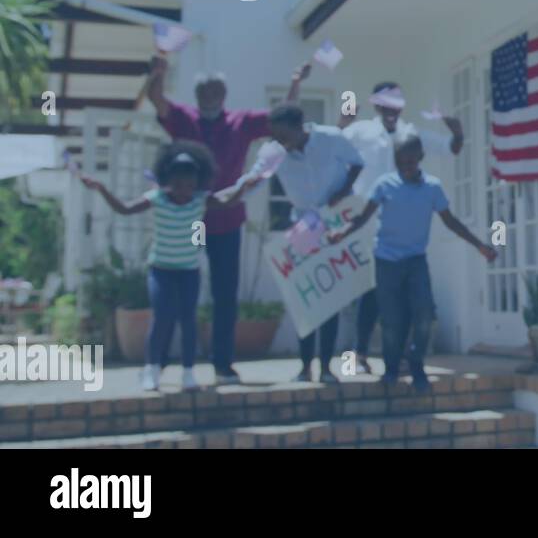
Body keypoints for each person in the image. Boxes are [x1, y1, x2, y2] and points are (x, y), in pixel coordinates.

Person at [146, 56, 310, 386]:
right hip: (188, 220)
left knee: (225, 293)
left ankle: (222, 364)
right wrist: (159, 72)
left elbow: (280, 118)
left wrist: (295, 82)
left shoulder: (240, 121)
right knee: (178, 290)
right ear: (197, 95)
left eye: (216, 90)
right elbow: (157, 100)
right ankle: (160, 363)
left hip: (227, 219)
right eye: (205, 91)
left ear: (224, 93)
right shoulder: (183, 118)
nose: (211, 96)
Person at [80, 141, 259, 391]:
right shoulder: (157, 198)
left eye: (189, 185)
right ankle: (151, 369)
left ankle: (188, 372)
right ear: (167, 180)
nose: (184, 190)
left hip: (188, 271)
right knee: (162, 317)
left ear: (197, 183)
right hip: (161, 270)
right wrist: (100, 188)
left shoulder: (200, 200)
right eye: (178, 185)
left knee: (188, 320)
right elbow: (124, 208)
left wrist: (244, 187)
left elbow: (227, 201)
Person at [326, 131, 494, 391]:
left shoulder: (432, 187)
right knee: (391, 321)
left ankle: (415, 362)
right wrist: (342, 233)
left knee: (425, 314)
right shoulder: (384, 184)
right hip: (386, 260)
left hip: (415, 260)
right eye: (401, 163)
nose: (406, 168)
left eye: (411, 162)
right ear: (395, 160)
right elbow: (363, 217)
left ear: (420, 158)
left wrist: (479, 245)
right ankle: (391, 369)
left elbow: (450, 222)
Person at [336, 81, 464, 374]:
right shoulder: (362, 131)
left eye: (396, 104)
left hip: (401, 225)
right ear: (376, 105)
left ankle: (403, 358)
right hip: (366, 219)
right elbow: (335, 145)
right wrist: (344, 121)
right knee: (369, 289)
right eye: (385, 104)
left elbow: (450, 148)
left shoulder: (412, 134)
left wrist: (457, 132)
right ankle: (359, 352)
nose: (391, 109)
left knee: (404, 294)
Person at [245, 103, 364, 383]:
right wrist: (231, 194)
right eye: (275, 136)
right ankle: (304, 366)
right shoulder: (275, 152)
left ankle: (325, 367)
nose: (280, 141)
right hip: (302, 225)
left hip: (333, 218)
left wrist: (344, 191)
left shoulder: (331, 137)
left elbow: (357, 163)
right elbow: (254, 179)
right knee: (305, 297)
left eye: (283, 135)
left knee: (330, 297)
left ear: (300, 127)